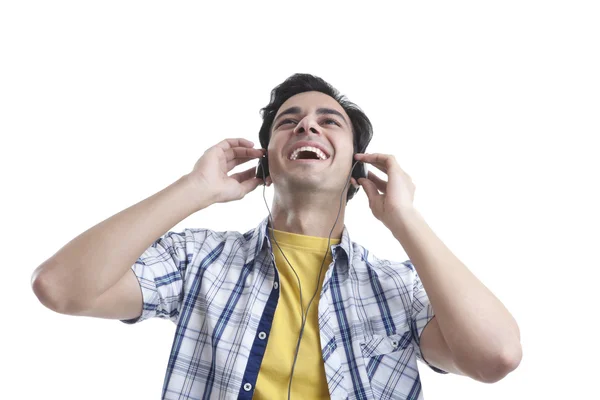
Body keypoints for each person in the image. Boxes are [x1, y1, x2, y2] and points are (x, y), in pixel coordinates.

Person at [31, 73, 522, 400]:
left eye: (330, 122)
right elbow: (60, 287)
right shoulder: (200, 261)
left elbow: (496, 356)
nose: (307, 123)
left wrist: (405, 218)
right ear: (266, 161)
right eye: (289, 121)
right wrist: (195, 189)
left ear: (358, 167)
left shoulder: (400, 287)